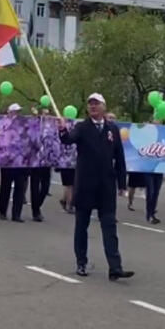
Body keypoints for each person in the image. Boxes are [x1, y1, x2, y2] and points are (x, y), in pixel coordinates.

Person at [59, 93, 134, 281]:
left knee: (109, 227)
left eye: (96, 104)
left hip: (106, 186)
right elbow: (68, 139)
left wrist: (122, 184)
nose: (92, 107)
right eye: (90, 104)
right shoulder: (82, 127)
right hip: (85, 185)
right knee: (81, 226)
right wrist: (62, 130)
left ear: (103, 107)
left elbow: (120, 158)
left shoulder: (112, 129)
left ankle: (115, 267)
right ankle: (81, 263)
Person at [0, 103, 29, 222]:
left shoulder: (24, 125)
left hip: (21, 162)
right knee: (5, 186)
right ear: (9, 112)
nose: (17, 114)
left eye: (18, 112)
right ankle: (3, 211)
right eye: (15, 112)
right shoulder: (3, 124)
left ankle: (17, 214)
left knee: (20, 188)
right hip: (8, 161)